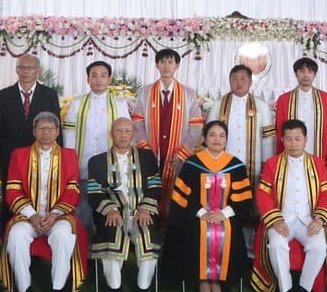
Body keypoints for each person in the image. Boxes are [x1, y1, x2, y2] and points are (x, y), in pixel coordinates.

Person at [165, 119, 254, 292]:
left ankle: (218, 280)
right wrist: (202, 213)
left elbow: (242, 199)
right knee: (198, 230)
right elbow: (183, 197)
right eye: (212, 135)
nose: (217, 139)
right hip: (196, 215)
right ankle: (203, 280)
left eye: (222, 136)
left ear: (226, 139)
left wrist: (224, 213)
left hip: (226, 215)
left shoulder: (235, 165)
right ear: (204, 138)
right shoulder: (192, 164)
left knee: (228, 231)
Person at [5, 111, 81, 292]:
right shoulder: (19, 155)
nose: (46, 132)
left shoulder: (69, 155)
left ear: (57, 132)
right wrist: (32, 216)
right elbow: (12, 190)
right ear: (34, 131)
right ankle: (23, 289)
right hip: (27, 217)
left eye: (50, 128)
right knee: (16, 236)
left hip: (58, 217)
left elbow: (72, 190)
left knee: (64, 235)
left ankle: (58, 288)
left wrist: (54, 214)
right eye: (41, 128)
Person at [256, 119, 327, 292]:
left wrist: (319, 220)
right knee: (277, 245)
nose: (293, 143)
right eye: (289, 139)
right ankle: (285, 289)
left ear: (306, 139)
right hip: (282, 220)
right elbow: (263, 194)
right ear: (282, 139)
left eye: (298, 139)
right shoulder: (272, 164)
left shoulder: (318, 163)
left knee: (319, 246)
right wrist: (276, 220)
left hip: (308, 220)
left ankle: (305, 288)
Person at [84, 116, 160, 292]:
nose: (123, 135)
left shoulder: (147, 158)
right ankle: (115, 288)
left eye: (127, 131)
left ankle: (143, 288)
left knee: (147, 236)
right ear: (111, 134)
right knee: (112, 236)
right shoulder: (97, 161)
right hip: (112, 214)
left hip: (141, 213)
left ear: (133, 134)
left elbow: (155, 186)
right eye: (118, 131)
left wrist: (145, 209)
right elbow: (94, 193)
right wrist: (110, 210)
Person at [141, 47, 204, 216]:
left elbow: (196, 126)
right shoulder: (145, 92)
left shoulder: (188, 93)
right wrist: (145, 151)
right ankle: (150, 224)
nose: (166, 66)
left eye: (170, 62)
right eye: (162, 62)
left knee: (177, 194)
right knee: (149, 188)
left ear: (177, 66)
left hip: (178, 155)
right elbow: (137, 123)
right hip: (152, 152)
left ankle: (171, 226)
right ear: (157, 65)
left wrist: (183, 152)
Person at [0, 51, 62, 188]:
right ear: (17, 70)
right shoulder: (4, 95)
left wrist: (58, 155)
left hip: (42, 155)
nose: (25, 71)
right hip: (10, 157)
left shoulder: (49, 95)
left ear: (38, 71)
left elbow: (56, 127)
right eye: (21, 67)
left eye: (30, 68)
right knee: (12, 193)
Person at [62, 60, 132, 175]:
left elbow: (127, 133)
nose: (98, 80)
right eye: (94, 76)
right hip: (82, 162)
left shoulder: (119, 103)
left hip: (112, 162)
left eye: (103, 76)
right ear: (88, 79)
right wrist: (70, 162)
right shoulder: (77, 102)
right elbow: (69, 134)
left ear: (109, 79)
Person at [274, 57, 327, 169]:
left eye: (310, 71)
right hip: (290, 156)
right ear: (295, 74)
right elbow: (280, 132)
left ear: (315, 74)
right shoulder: (284, 99)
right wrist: (279, 160)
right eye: (302, 71)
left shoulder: (325, 98)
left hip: (318, 153)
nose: (306, 75)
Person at [213, 63, 273, 170]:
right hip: (222, 161)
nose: (239, 83)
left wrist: (267, 164)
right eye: (235, 79)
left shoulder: (261, 106)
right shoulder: (218, 105)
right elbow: (209, 135)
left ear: (250, 82)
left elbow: (268, 138)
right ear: (229, 82)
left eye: (243, 79)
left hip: (253, 164)